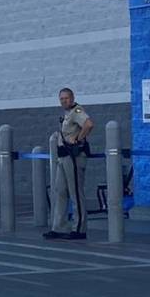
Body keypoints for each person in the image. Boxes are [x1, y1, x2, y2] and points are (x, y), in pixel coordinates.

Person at [45, 88, 94, 240]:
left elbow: (89, 124)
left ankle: (79, 228)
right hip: (63, 156)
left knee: (75, 193)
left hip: (74, 156)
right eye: (61, 99)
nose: (64, 101)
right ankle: (59, 226)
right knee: (59, 191)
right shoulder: (67, 114)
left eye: (66, 98)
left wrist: (78, 139)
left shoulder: (77, 110)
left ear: (72, 98)